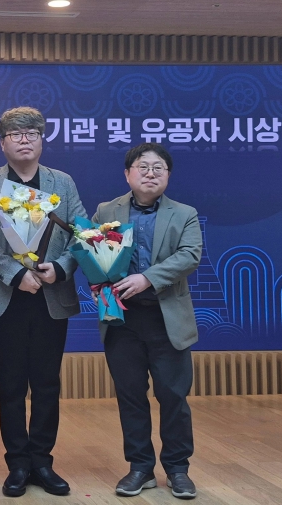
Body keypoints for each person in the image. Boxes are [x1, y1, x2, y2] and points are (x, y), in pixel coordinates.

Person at [0, 106, 88, 497]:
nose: (24, 140)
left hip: (50, 294)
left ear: (42, 140)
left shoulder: (62, 182)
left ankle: (42, 461)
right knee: (10, 384)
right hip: (6, 295)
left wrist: (62, 267)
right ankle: (17, 463)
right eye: (16, 134)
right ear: (2, 143)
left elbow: (81, 232)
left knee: (47, 383)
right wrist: (14, 273)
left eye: (32, 133)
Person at [92, 142, 201, 500]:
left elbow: (189, 255)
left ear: (168, 175)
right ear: (128, 174)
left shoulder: (184, 214)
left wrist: (147, 278)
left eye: (158, 168)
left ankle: (178, 469)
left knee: (173, 397)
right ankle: (140, 467)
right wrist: (97, 282)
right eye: (143, 167)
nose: (150, 173)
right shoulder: (106, 210)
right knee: (131, 397)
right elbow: (91, 251)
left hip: (166, 318)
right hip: (121, 319)